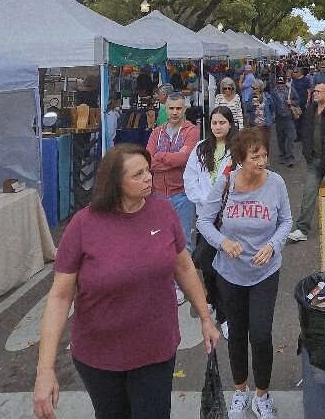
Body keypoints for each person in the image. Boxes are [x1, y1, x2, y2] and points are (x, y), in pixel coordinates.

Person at [32, 144, 220, 419]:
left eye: (148, 171)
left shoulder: (163, 212)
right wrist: (45, 370)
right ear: (115, 183)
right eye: (138, 174)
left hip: (155, 350)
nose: (148, 178)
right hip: (100, 357)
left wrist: (205, 318)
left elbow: (184, 267)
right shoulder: (84, 225)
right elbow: (60, 296)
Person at [196, 128, 293, 419]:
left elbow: (286, 220)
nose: (262, 161)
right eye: (255, 157)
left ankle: (262, 395)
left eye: (264, 155)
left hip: (265, 272)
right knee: (236, 334)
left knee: (261, 336)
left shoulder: (276, 183)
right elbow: (204, 221)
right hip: (229, 274)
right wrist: (223, 242)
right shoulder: (226, 184)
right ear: (240, 159)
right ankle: (241, 390)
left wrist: (274, 245)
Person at [184, 105, 239, 338]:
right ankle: (211, 300)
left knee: (224, 266)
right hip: (206, 215)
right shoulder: (199, 149)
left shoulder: (237, 149)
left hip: (229, 216)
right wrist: (207, 202)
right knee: (207, 261)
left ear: (230, 124)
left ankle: (225, 314)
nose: (218, 127)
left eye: (222, 123)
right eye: (214, 123)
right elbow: (190, 179)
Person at [147, 93, 200, 304]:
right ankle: (165, 280)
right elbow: (147, 160)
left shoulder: (191, 131)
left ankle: (182, 286)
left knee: (184, 240)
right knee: (160, 239)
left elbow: (184, 159)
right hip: (160, 194)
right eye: (171, 108)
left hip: (183, 194)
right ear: (165, 109)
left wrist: (160, 158)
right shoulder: (156, 133)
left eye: (178, 108)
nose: (175, 112)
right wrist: (169, 160)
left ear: (184, 109)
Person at [287, 82, 325, 243]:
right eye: (314, 91)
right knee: (308, 195)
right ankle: (302, 229)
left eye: (318, 92)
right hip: (314, 159)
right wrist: (307, 153)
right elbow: (306, 131)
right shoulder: (311, 109)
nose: (315, 94)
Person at [270, 77, 296, 167]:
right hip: (279, 118)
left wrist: (291, 102)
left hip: (289, 117)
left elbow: (298, 101)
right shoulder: (274, 92)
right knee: (280, 138)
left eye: (282, 83)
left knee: (290, 137)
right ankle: (283, 155)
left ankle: (289, 157)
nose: (281, 85)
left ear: (285, 83)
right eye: (279, 83)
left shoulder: (291, 90)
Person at [246, 80, 275, 144]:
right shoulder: (251, 96)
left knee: (265, 143)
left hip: (265, 125)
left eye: (254, 88)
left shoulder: (267, 96)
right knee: (255, 143)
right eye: (252, 87)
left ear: (259, 88)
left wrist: (271, 118)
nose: (252, 89)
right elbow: (247, 110)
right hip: (254, 124)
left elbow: (272, 108)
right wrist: (251, 105)